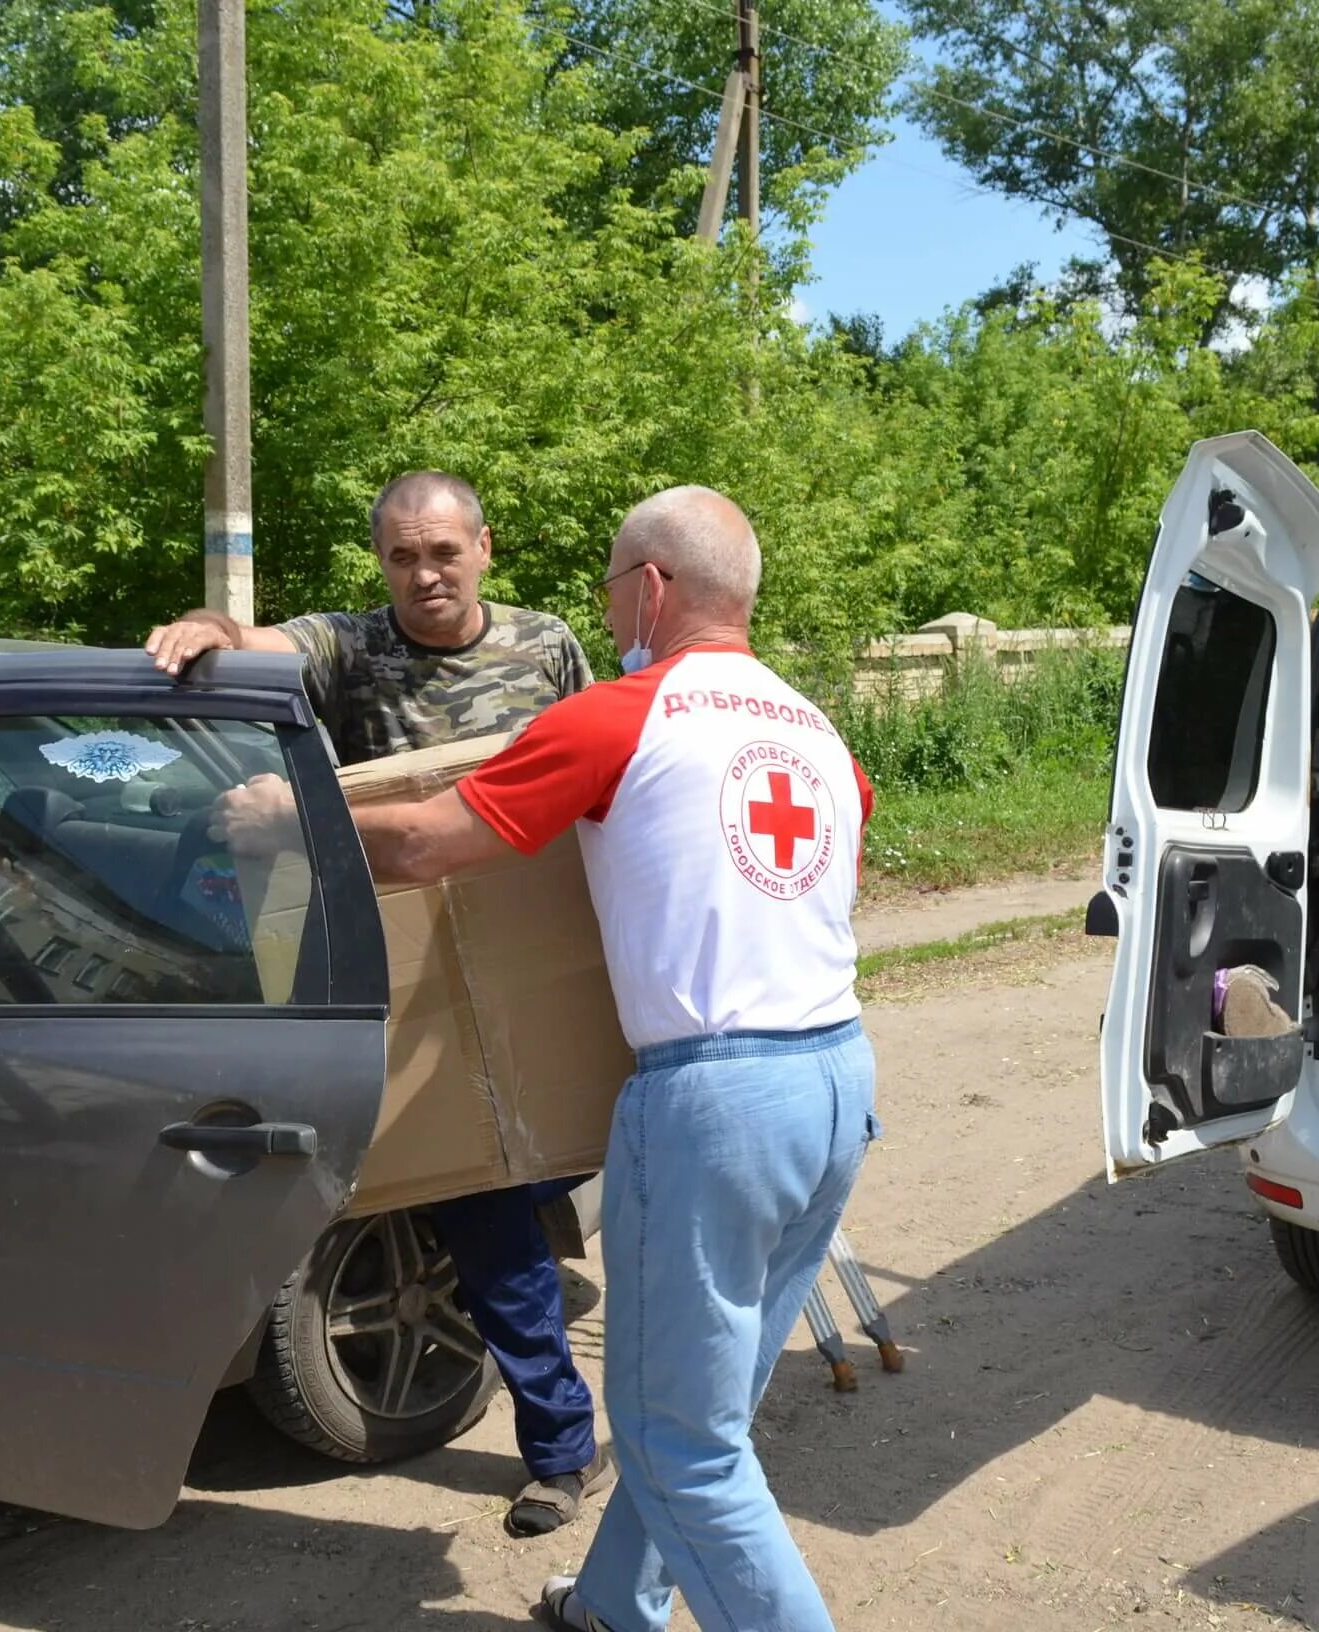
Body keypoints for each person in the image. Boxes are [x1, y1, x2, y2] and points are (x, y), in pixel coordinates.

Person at [315, 485, 877, 1632]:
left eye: (614, 582)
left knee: (681, 1448)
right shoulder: (813, 730)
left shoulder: (623, 714)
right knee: (700, 1408)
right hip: (836, 1078)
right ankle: (618, 1603)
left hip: (716, 1100)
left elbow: (428, 844)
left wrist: (295, 817)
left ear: (653, 588)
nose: (606, 604)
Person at [142, 471, 611, 1537]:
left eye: (442, 552)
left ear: (484, 547)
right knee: (486, 1209)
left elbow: (601, 778)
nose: (424, 574)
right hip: (413, 967)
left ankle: (688, 1427)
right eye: (402, 556)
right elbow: (259, 642)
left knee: (607, 1169)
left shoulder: (548, 646)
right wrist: (205, 628)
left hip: (544, 960)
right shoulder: (353, 646)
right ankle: (561, 1451)